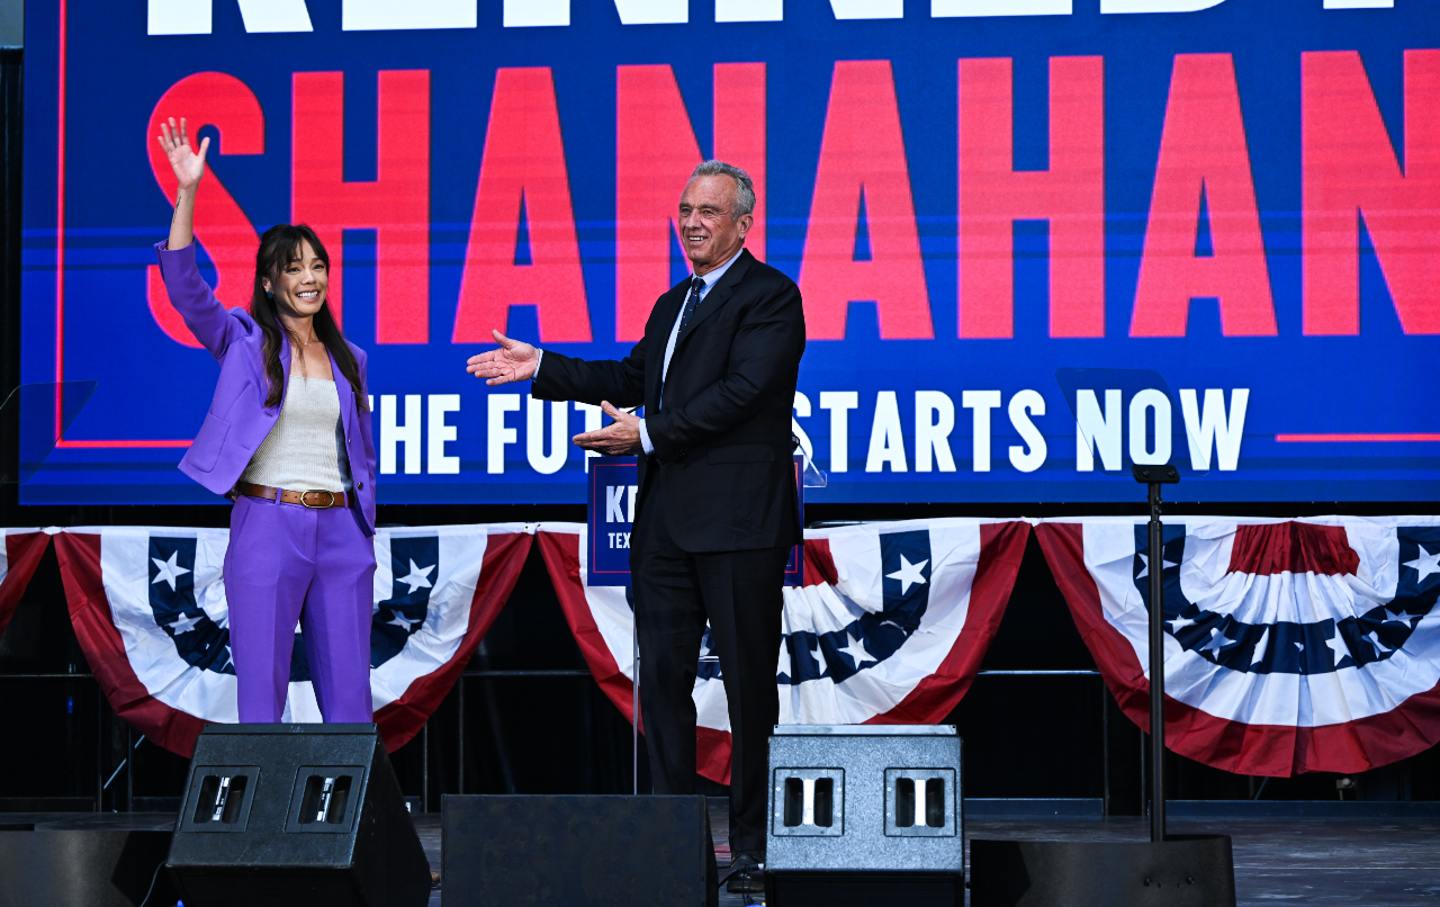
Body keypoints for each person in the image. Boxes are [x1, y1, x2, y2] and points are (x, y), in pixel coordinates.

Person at [467, 160, 805, 893]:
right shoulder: (671, 304)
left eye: (708, 211)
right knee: (662, 689)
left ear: (743, 224)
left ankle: (751, 846)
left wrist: (646, 437)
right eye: (685, 208)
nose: (692, 222)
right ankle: (674, 840)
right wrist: (542, 367)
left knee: (750, 691)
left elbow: (744, 395)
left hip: (741, 526)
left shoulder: (773, 297)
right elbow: (627, 380)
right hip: (666, 531)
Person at [154, 117, 378, 724]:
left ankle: (350, 820)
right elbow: (185, 288)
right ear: (269, 282)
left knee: (352, 707)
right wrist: (189, 191)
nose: (309, 278)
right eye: (294, 268)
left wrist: (361, 528)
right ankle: (262, 824)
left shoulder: (349, 360)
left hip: (341, 534)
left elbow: (361, 457)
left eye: (318, 266)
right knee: (260, 699)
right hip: (266, 523)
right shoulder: (243, 340)